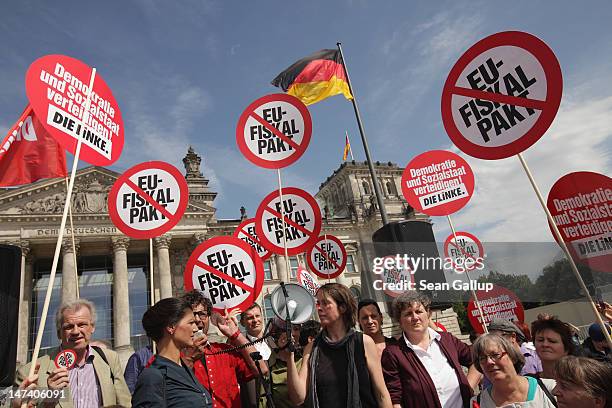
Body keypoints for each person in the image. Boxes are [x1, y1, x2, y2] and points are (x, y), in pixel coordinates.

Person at [287, 283, 392, 407]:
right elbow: (298, 398)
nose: (319, 308)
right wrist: (290, 355)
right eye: (318, 303)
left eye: (325, 303)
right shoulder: (311, 348)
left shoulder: (364, 342)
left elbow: (381, 394)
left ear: (342, 307)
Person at [15, 299, 131, 407]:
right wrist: (50, 398)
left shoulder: (109, 359)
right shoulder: (30, 372)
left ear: (92, 328)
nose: (76, 331)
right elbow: (12, 403)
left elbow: (124, 404)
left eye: (82, 325)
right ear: (59, 333)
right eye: (69, 327)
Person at [381, 291, 480, 408]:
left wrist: (468, 387)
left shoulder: (447, 340)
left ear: (428, 314)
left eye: (419, 311)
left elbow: (476, 360)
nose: (415, 317)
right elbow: (395, 399)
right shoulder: (393, 353)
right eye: (408, 314)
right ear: (400, 321)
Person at [180, 290, 266, 408]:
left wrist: (235, 334)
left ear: (209, 317)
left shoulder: (224, 350)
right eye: (192, 314)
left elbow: (261, 369)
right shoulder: (174, 357)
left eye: (202, 314)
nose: (197, 319)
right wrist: (189, 358)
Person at [132, 297, 212, 407]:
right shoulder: (152, 377)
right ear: (171, 327)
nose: (195, 328)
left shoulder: (185, 370)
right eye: (191, 322)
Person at [470, 333, 557, 408]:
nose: (489, 362)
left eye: (495, 355)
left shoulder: (550, 389)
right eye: (482, 358)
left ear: (512, 356)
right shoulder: (478, 403)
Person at [239, 303, 272, 408]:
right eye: (250, 318)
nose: (255, 320)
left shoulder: (275, 341)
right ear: (242, 322)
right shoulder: (239, 348)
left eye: (257, 316)